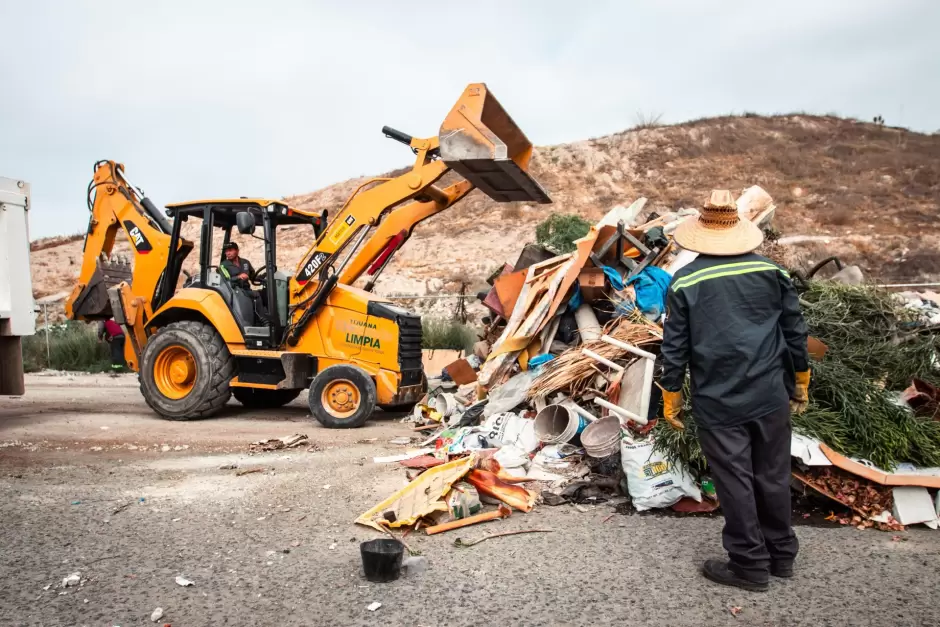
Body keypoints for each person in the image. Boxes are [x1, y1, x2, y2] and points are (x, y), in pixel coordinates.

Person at [659, 189, 810, 592]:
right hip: (770, 394)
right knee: (773, 475)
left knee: (736, 479)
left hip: (720, 400)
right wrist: (800, 379)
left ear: (701, 232)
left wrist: (670, 394)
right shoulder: (772, 273)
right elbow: (794, 331)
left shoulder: (686, 281)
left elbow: (674, 347)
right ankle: (781, 556)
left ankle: (749, 565)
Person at [220, 241, 268, 321]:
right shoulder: (223, 265)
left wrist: (265, 276)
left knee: (264, 294)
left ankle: (262, 319)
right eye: (226, 251)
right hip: (235, 291)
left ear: (237, 251)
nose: (228, 253)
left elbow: (253, 277)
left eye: (230, 250)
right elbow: (226, 281)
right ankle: (263, 321)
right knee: (256, 295)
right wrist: (238, 277)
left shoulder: (245, 262)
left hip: (246, 290)